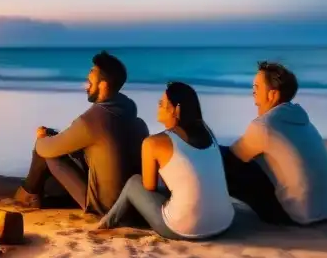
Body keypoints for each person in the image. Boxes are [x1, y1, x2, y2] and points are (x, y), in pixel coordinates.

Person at [14, 51, 149, 216]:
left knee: (45, 150)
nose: (86, 86)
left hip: (106, 207)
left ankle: (27, 194)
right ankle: (31, 194)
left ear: (103, 85)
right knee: (64, 145)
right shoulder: (128, 114)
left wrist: (42, 137)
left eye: (90, 81)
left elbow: (47, 149)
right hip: (132, 204)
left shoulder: (94, 119)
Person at [96, 82, 234, 240]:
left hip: (184, 228)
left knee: (134, 182)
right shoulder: (208, 133)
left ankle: (106, 223)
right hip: (224, 222)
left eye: (161, 103)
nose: (158, 106)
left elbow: (149, 186)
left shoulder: (153, 143)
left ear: (177, 110)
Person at [222, 61, 327, 225]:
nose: (253, 93)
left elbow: (233, 157)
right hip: (324, 211)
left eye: (257, 88)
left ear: (272, 95)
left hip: (292, 216)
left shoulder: (265, 126)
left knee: (217, 157)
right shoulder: (303, 121)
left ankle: (201, 210)